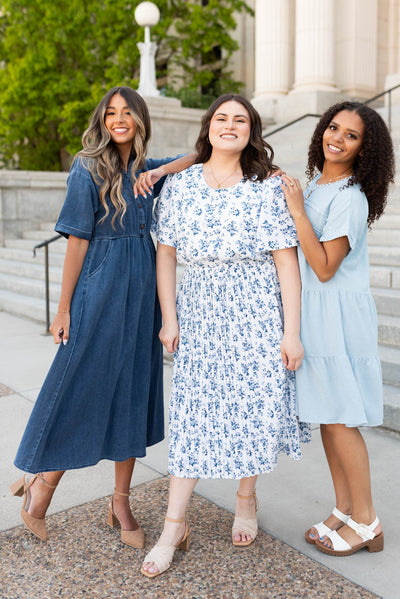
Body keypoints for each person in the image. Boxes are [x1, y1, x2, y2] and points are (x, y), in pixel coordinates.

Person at [10, 86, 195, 546]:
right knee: (83, 385)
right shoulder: (86, 166)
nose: (118, 119)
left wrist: (159, 172)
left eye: (127, 111)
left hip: (143, 289)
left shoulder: (144, 169)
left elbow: (198, 155)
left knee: (132, 386)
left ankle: (120, 500)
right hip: (102, 285)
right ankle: (43, 484)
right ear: (102, 119)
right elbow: (75, 240)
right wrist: (64, 308)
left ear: (140, 119)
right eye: (110, 112)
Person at [140, 93, 310, 578]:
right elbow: (166, 254)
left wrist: (291, 331)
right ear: (208, 127)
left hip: (256, 312)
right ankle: (174, 525)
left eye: (240, 120)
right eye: (221, 118)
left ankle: (246, 496)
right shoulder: (180, 184)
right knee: (193, 413)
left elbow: (286, 262)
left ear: (252, 131)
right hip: (200, 313)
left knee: (250, 406)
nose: (229, 125)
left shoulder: (266, 188)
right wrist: (169, 318)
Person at [281, 101, 395, 556]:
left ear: (365, 150)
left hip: (337, 317)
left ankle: (367, 522)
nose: (338, 138)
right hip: (314, 313)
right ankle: (345, 509)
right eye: (334, 127)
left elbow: (326, 267)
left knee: (342, 419)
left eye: (351, 135)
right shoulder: (319, 185)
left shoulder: (349, 196)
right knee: (328, 419)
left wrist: (296, 211)